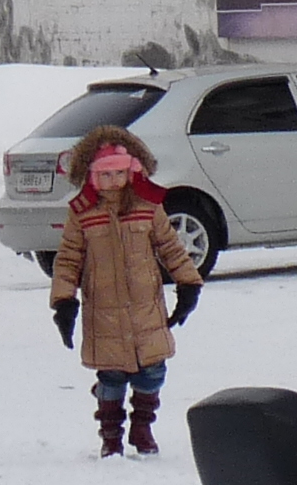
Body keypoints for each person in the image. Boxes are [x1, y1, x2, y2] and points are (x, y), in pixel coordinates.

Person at [48, 125, 201, 458]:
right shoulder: (83, 213)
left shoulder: (148, 206)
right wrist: (63, 301)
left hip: (146, 309)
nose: (113, 181)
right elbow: (68, 259)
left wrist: (188, 283)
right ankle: (111, 435)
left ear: (132, 171)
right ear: (91, 178)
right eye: (105, 175)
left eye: (119, 173)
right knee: (112, 377)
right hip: (103, 312)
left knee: (152, 371)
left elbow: (170, 247)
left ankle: (142, 426)